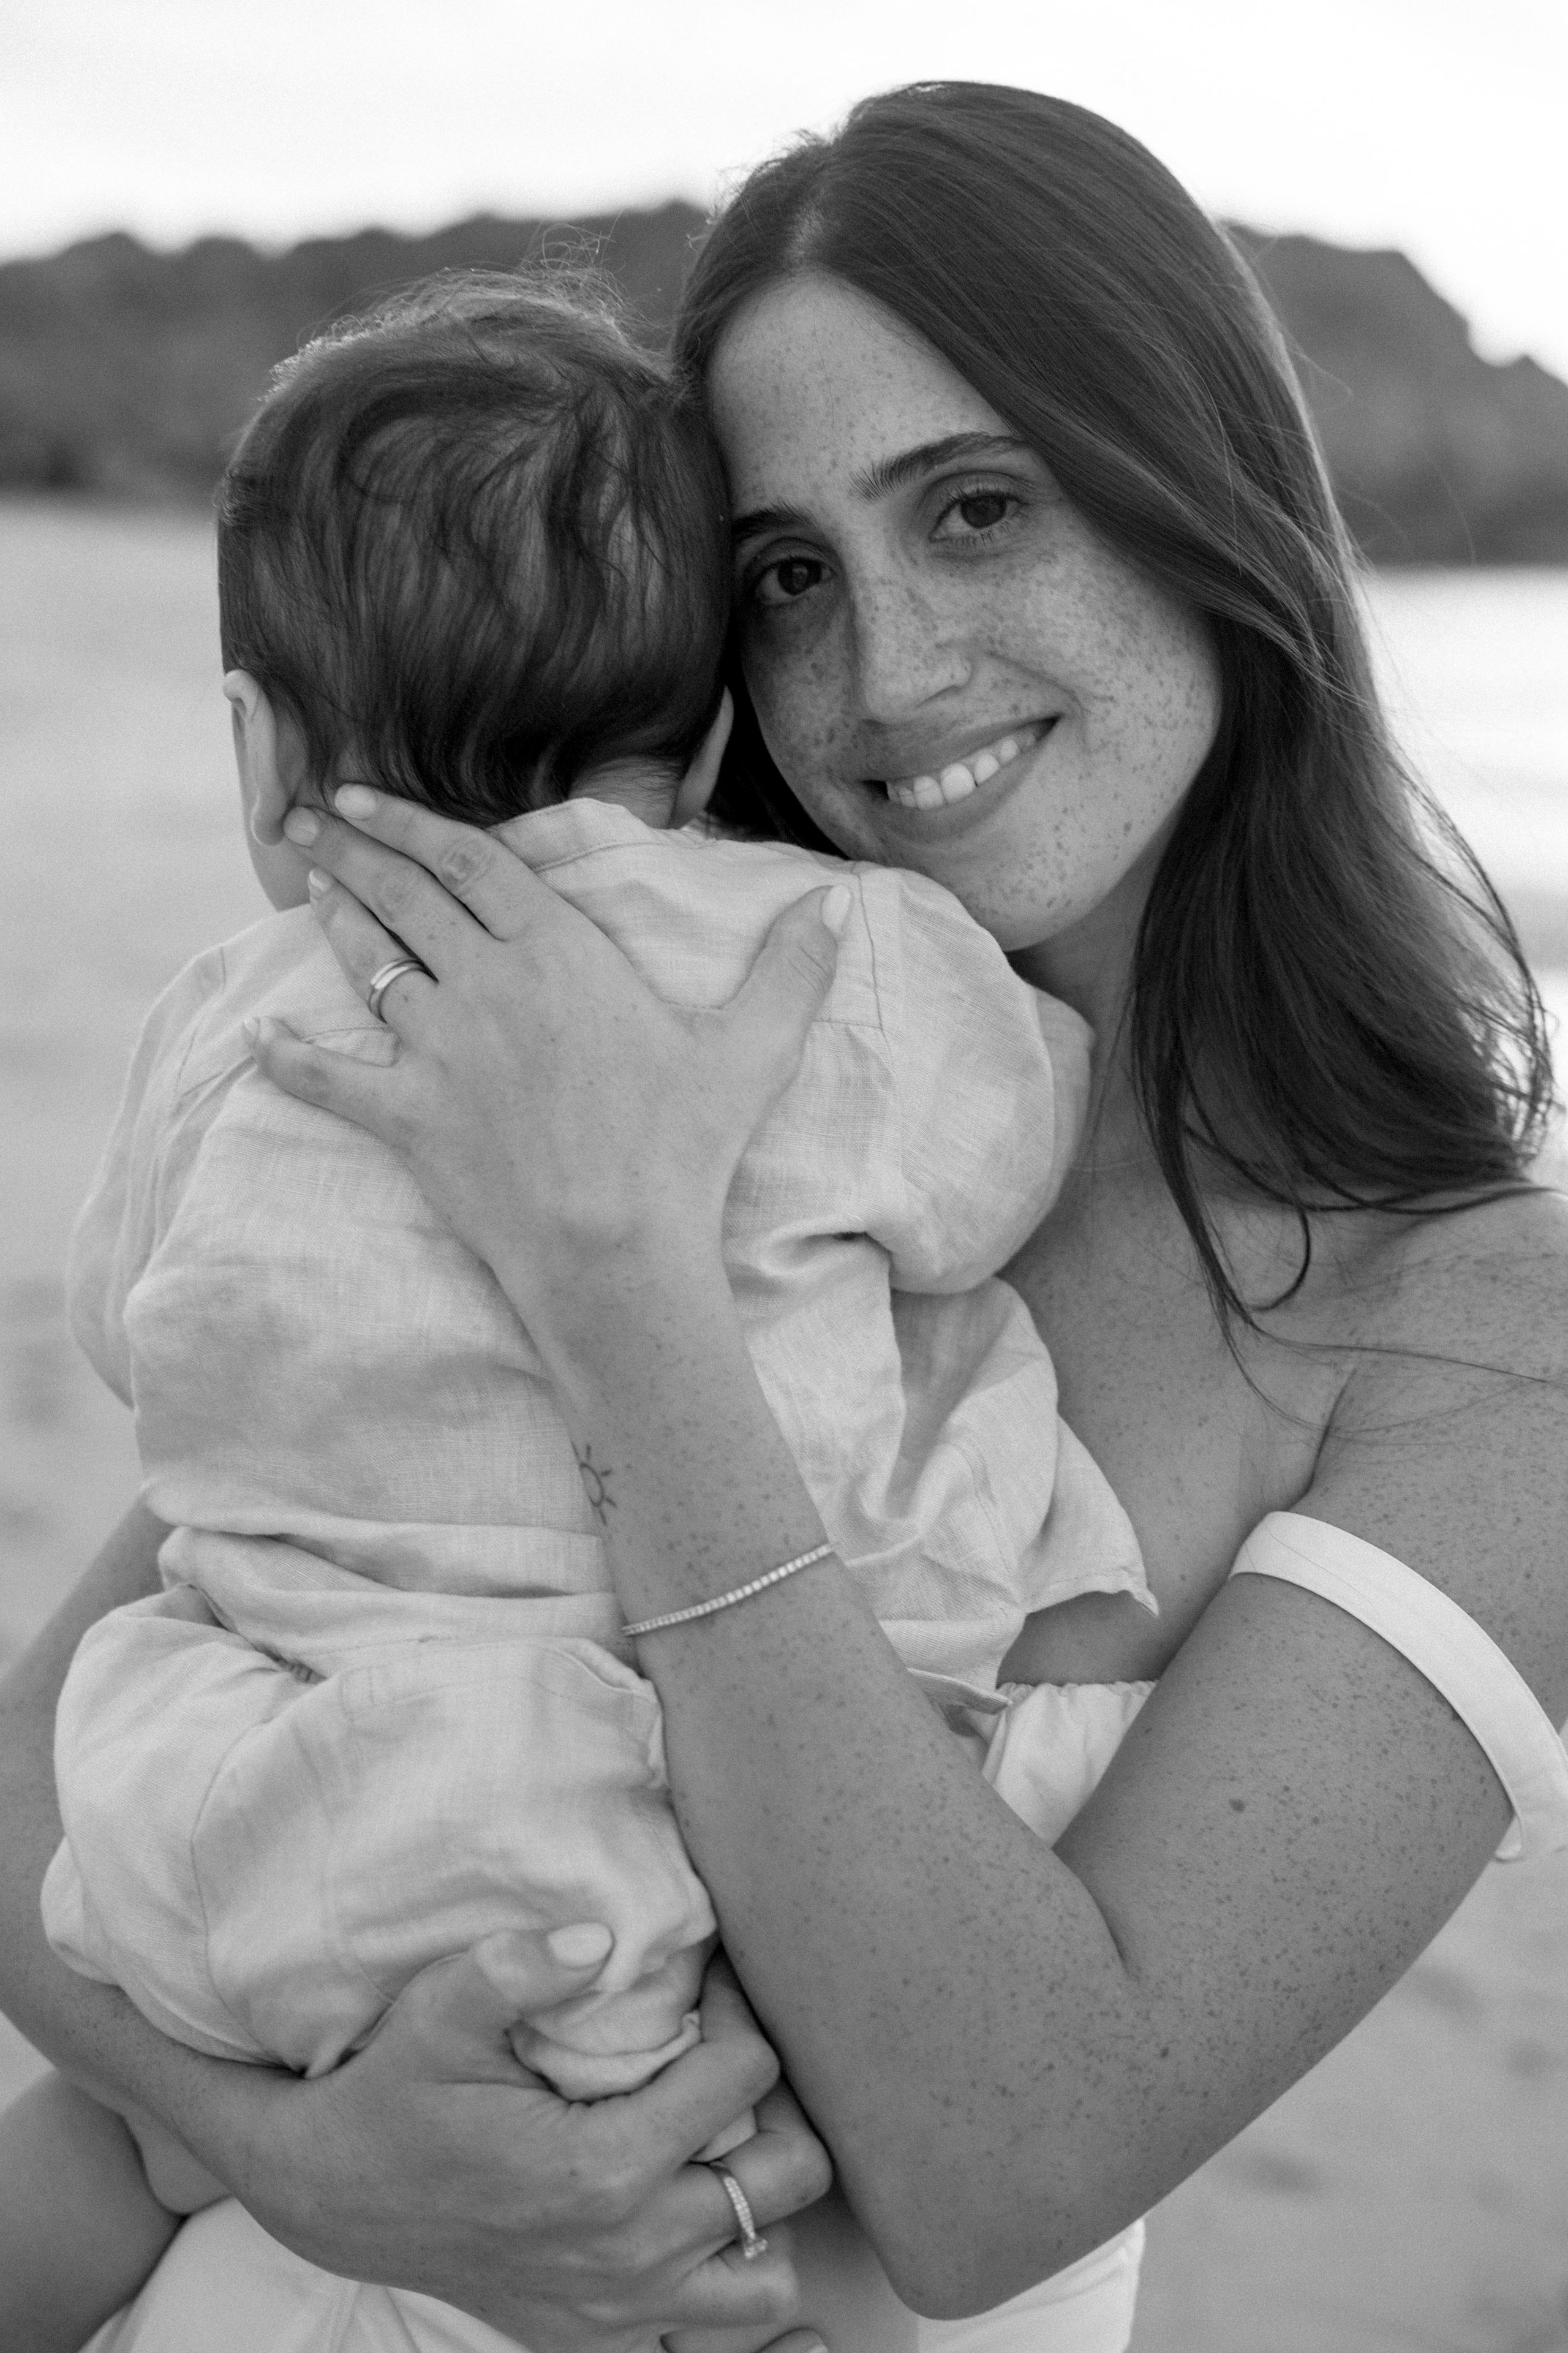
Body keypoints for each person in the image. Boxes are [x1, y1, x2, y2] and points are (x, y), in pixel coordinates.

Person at [2, 75, 1566, 2353]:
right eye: (789, 578)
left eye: (981, 508)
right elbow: (29, 1768)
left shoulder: (1487, 1344)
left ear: (1208, 501)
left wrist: (621, 1271)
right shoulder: (608, 1017)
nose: (890, 672)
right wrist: (304, 2155)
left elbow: (998, 2164)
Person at [1, 261, 1143, 2352]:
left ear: (261, 754)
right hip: (621, 1853)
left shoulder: (226, 1018)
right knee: (664, 2179)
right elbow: (1007, 1153)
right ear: (709, 735)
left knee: (120, 2126)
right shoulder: (839, 956)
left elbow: (127, 1326)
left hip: (239, 1808)